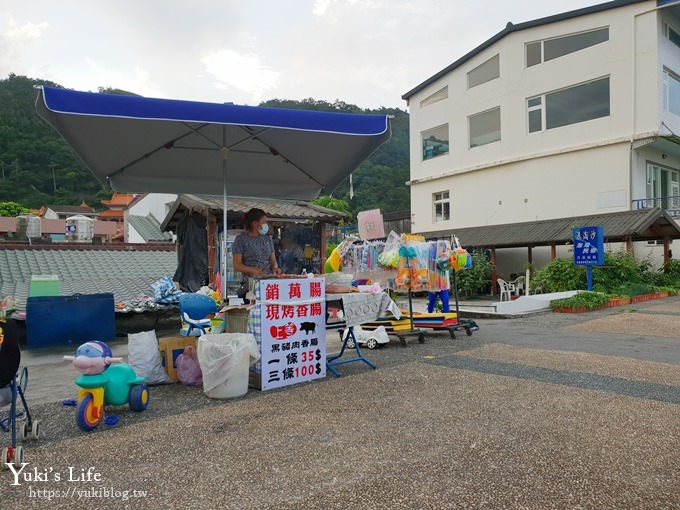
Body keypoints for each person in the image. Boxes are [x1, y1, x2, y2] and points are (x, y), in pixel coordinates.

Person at [232, 208, 282, 278]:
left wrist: (275, 268)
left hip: (268, 281)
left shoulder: (267, 239)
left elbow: (273, 261)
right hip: (250, 282)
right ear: (255, 223)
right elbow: (237, 265)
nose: (266, 225)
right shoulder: (240, 240)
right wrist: (254, 270)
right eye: (264, 222)